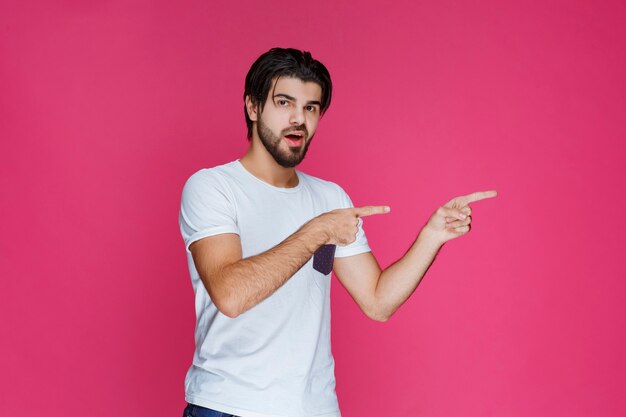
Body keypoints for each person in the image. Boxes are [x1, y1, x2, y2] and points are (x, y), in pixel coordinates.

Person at [179, 47, 497, 417]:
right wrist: (318, 231)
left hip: (316, 409)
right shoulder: (212, 187)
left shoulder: (330, 198)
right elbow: (231, 295)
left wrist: (431, 236)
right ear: (253, 107)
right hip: (228, 407)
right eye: (284, 102)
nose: (298, 119)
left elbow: (378, 303)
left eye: (311, 108)